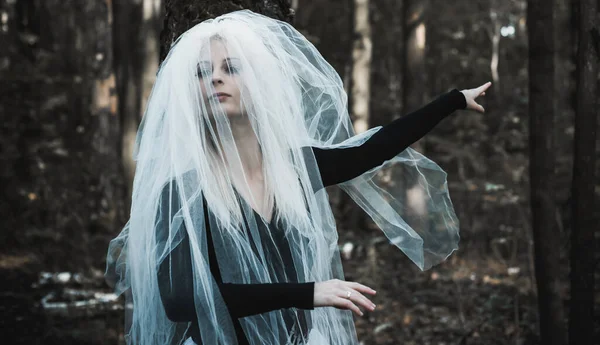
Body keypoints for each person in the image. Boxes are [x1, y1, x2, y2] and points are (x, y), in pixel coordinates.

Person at [105, 9, 491, 345]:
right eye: (203, 73)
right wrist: (305, 294)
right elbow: (178, 302)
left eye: (230, 68)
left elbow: (371, 150)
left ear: (259, 83)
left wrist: (453, 100)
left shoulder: (294, 169)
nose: (216, 79)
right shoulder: (183, 193)